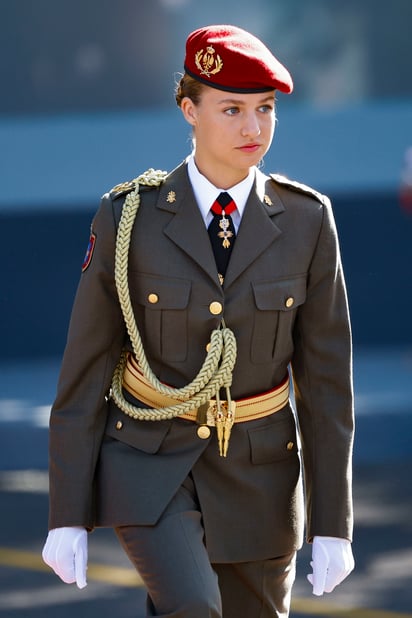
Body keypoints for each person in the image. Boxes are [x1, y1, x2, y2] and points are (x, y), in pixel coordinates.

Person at [42, 24, 355, 618]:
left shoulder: (308, 221)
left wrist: (333, 523)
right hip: (150, 462)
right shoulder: (127, 218)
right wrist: (68, 515)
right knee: (192, 606)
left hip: (261, 474)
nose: (253, 127)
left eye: (265, 109)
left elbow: (327, 385)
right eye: (231, 109)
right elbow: (84, 371)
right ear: (189, 109)